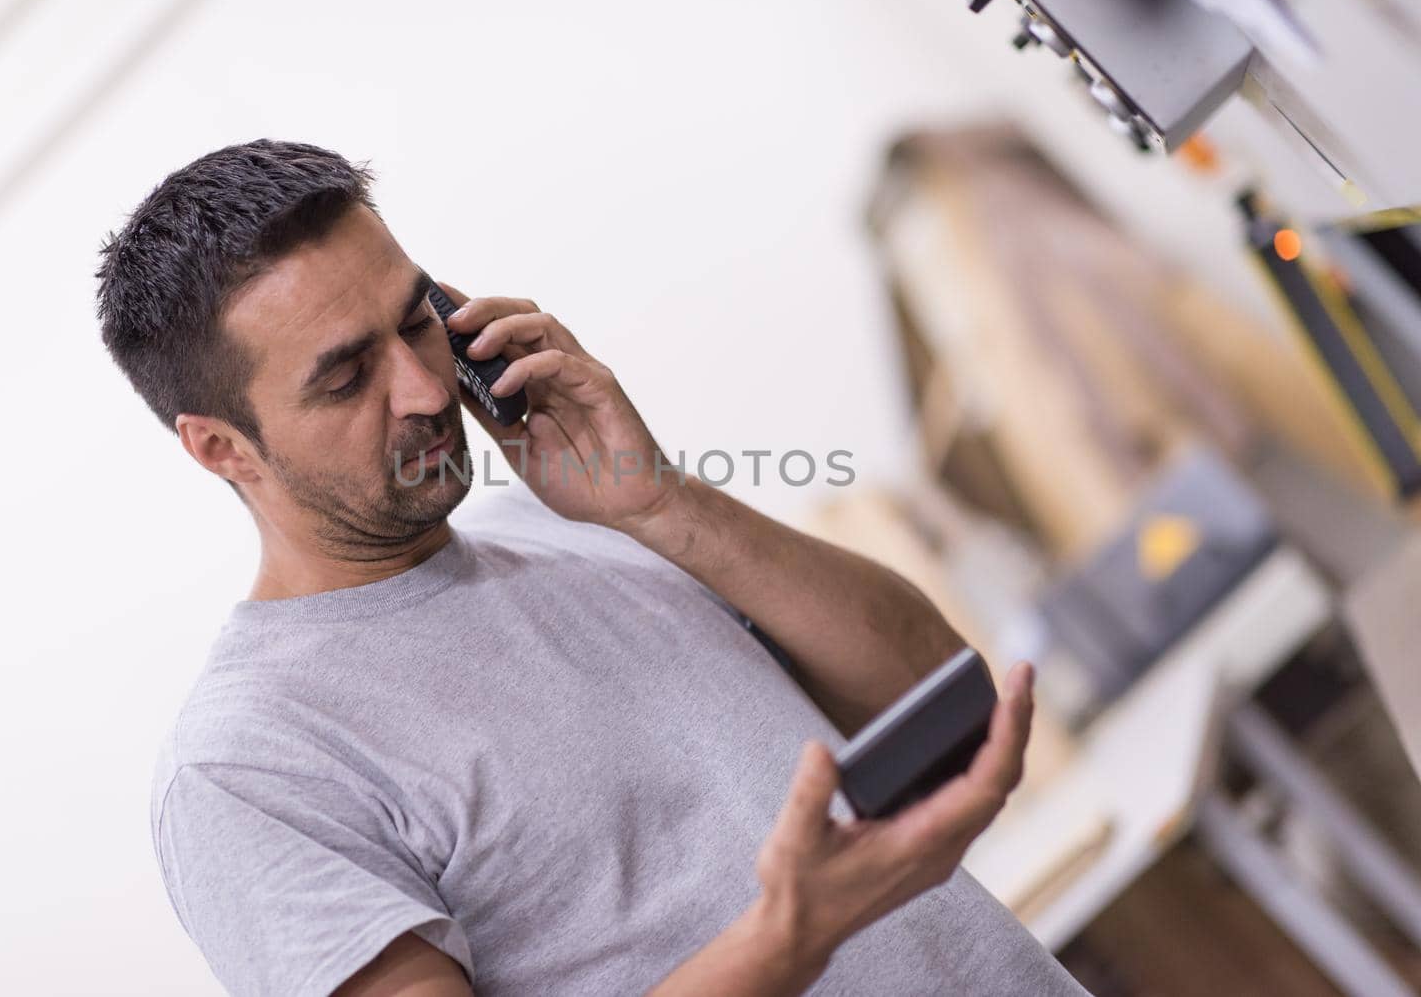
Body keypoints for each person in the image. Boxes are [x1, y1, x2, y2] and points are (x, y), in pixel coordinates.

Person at [96, 140, 1086, 996]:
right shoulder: (246, 766)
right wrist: (787, 939)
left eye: (415, 320)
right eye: (348, 375)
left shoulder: (579, 526)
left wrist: (659, 501)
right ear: (222, 448)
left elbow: (936, 692)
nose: (423, 386)